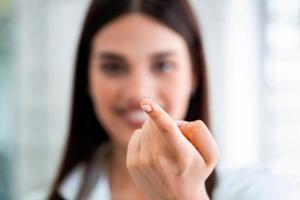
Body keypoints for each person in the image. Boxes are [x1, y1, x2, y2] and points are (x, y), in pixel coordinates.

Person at [49, 0, 287, 199]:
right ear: (87, 79)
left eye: (163, 65)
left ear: (194, 75)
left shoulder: (256, 190)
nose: (137, 92)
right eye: (113, 67)